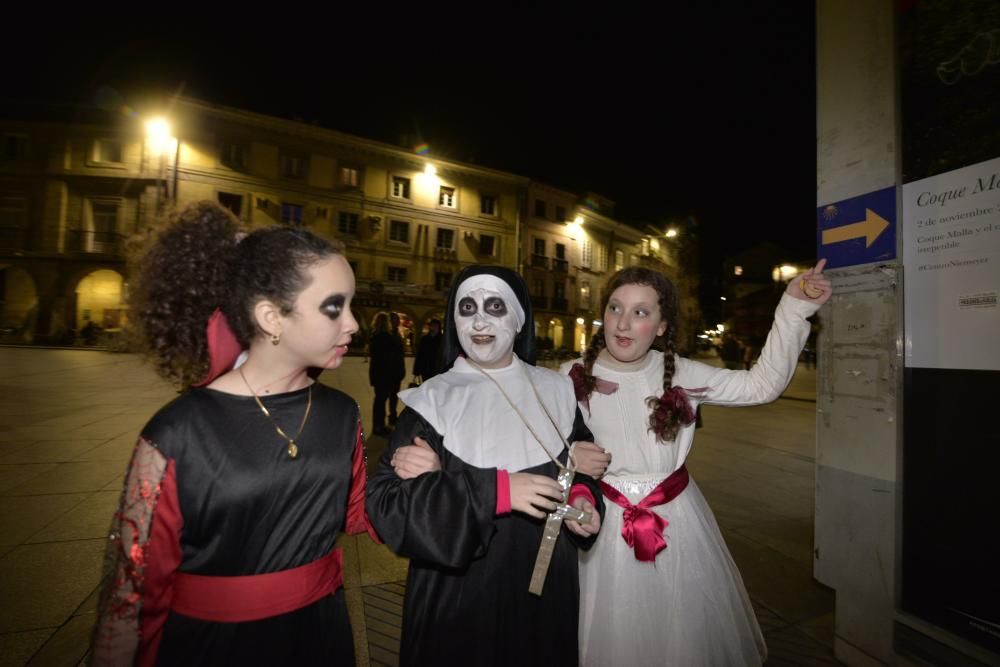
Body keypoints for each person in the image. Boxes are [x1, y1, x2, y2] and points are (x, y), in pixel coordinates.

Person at [91, 201, 375, 666]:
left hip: (321, 637)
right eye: (333, 308)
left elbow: (365, 512)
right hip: (212, 647)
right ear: (271, 317)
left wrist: (472, 489)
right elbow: (135, 586)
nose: (353, 323)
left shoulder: (342, 413)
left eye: (351, 305)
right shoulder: (176, 431)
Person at [564, 260, 831, 666]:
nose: (622, 323)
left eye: (640, 312)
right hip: (598, 523)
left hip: (677, 524)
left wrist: (793, 308)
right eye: (615, 307)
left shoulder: (684, 375)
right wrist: (568, 457)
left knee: (680, 635)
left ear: (662, 326)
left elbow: (762, 385)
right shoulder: (569, 377)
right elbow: (528, 443)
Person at [366, 265, 604, 667]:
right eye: (467, 307)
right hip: (459, 595)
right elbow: (387, 505)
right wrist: (498, 490)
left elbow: (581, 464)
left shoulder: (556, 390)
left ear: (517, 318)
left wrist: (583, 497)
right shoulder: (432, 401)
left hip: (546, 590)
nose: (479, 320)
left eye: (495, 307)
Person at [368, 311, 405, 434]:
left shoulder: (375, 336)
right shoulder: (386, 337)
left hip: (377, 374)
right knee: (381, 400)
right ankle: (379, 426)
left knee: (379, 400)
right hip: (385, 375)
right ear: (387, 322)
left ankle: (377, 425)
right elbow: (390, 358)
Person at [411, 317, 443, 382]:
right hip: (426, 370)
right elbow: (420, 355)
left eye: (435, 326)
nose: (433, 327)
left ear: (439, 327)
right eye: (432, 325)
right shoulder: (425, 339)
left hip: (438, 371)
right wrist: (416, 370)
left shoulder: (442, 340)